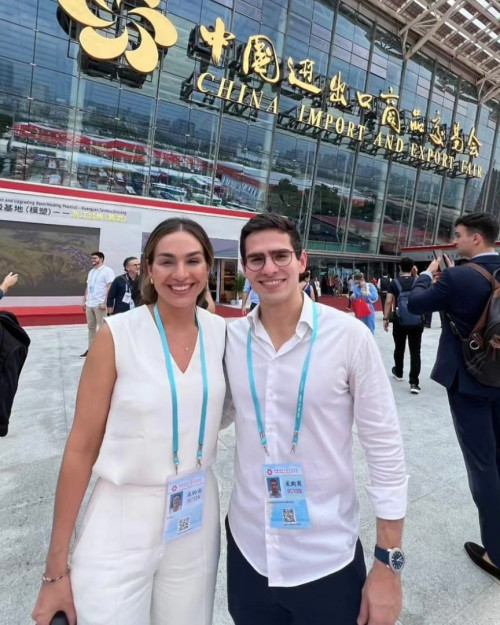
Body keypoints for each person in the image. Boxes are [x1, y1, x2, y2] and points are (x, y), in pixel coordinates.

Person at [32, 218, 229, 625]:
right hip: (122, 513)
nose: (180, 274)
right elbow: (81, 446)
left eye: (193, 260)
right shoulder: (118, 334)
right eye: (166, 261)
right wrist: (55, 570)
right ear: (149, 269)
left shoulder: (223, 334)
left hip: (194, 513)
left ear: (208, 266)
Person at [225, 214, 407, 625]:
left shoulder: (349, 338)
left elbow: (385, 449)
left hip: (327, 556)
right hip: (249, 550)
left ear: (302, 260)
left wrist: (388, 565)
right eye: (256, 259)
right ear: (244, 268)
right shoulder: (230, 340)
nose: (269, 268)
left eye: (280, 255)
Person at [408, 212, 500, 581]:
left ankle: (496, 552)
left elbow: (416, 304)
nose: (455, 241)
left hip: (470, 381)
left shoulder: (459, 276)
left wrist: (429, 274)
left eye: (459, 235)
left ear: (476, 239)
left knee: (483, 467)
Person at [383, 257, 424, 394]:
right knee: (415, 351)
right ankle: (414, 383)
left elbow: (388, 301)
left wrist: (385, 318)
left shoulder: (394, 282)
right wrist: (416, 274)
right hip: (417, 320)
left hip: (400, 320)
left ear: (400, 267)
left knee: (399, 347)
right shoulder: (418, 281)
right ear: (412, 267)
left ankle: (399, 372)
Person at [80, 252, 115, 357]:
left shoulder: (108, 271)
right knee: (91, 327)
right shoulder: (91, 271)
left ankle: (104, 350)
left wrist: (105, 302)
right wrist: (84, 301)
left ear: (101, 259)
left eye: (95, 258)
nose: (92, 260)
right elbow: (88, 286)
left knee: (102, 328)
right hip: (90, 303)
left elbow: (109, 287)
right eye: (92, 258)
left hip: (100, 304)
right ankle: (91, 349)